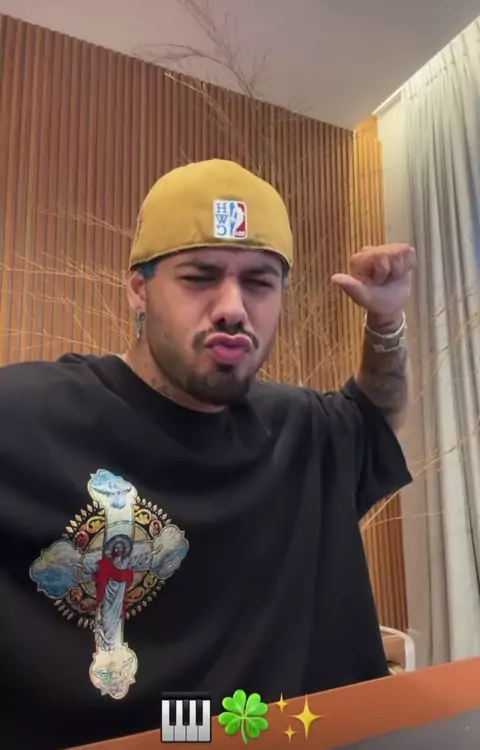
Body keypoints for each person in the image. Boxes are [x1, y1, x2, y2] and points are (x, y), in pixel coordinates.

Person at [0, 159, 414, 749]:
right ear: (138, 289)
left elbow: (375, 416)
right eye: (200, 277)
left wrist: (385, 319)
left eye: (259, 282)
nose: (232, 307)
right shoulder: (27, 417)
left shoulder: (300, 430)